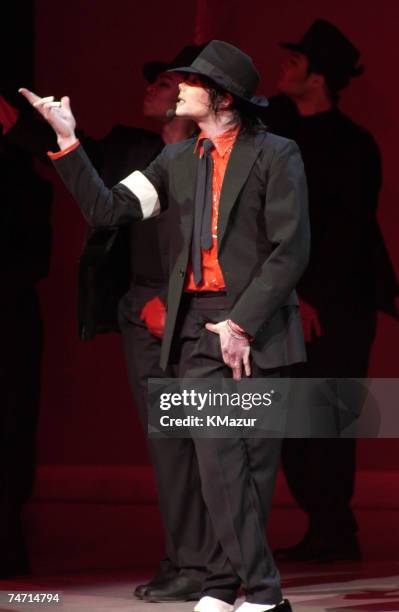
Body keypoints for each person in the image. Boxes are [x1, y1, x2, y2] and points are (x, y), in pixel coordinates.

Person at [21, 40, 310, 611]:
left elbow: (290, 248)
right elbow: (108, 210)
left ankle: (236, 588)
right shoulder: (176, 162)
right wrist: (66, 139)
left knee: (247, 465)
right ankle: (255, 593)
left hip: (256, 322)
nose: (178, 88)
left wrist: (243, 324)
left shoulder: (278, 154)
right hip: (199, 330)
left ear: (222, 98)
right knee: (217, 461)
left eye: (191, 82)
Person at [5, 45, 214, 600]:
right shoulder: (140, 152)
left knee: (202, 441)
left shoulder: (215, 160)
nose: (150, 87)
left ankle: (205, 564)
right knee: (168, 443)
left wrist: (179, 304)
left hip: (187, 311)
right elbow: (91, 176)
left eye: (165, 81)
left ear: (195, 97)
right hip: (141, 308)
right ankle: (185, 558)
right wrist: (29, 127)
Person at [262, 19, 398, 563]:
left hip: (339, 302)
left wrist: (309, 296)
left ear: (318, 78)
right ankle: (328, 526)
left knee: (325, 418)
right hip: (297, 297)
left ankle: (334, 529)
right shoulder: (282, 132)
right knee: (294, 421)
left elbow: (346, 231)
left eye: (296, 63)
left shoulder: (352, 146)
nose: (284, 69)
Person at [0, 131, 52, 578]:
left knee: (12, 426)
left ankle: (8, 540)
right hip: (15, 313)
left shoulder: (25, 184)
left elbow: (36, 259)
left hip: (10, 317)